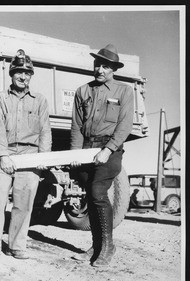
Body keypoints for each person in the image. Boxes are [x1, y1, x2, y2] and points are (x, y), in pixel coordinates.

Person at [0, 49, 52, 262]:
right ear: (11, 74)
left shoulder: (40, 101)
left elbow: (45, 131)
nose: (23, 76)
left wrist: (42, 159)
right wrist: (2, 156)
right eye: (19, 72)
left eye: (27, 73)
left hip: (29, 155)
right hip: (3, 155)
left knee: (24, 203)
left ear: (31, 76)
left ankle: (16, 245)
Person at [70, 44, 134, 268]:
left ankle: (107, 246)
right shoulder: (83, 91)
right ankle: (96, 246)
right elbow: (77, 125)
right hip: (86, 150)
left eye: (105, 66)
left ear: (113, 69)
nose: (100, 69)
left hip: (110, 150)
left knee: (98, 192)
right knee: (91, 195)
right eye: (98, 64)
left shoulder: (124, 91)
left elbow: (125, 125)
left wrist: (108, 150)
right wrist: (76, 153)